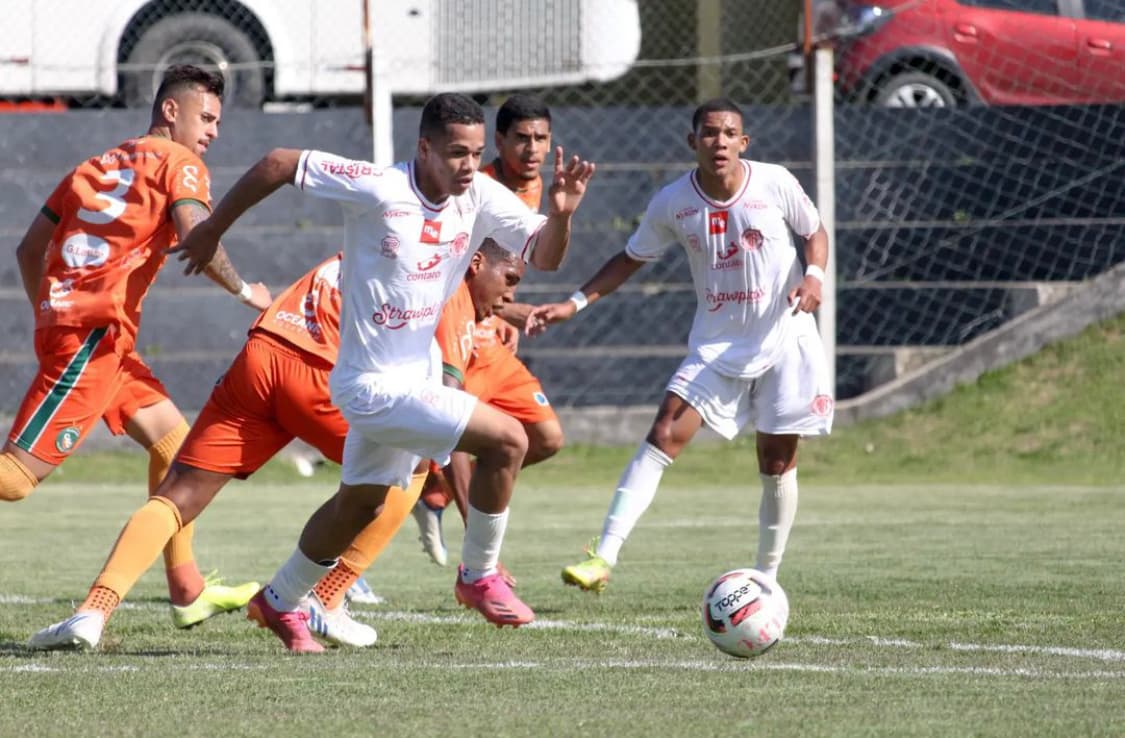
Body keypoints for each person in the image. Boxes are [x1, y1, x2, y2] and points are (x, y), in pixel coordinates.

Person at [144, 92, 590, 652]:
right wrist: (211, 229)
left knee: (362, 503)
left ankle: (278, 602)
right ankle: (479, 575)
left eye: (476, 153)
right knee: (509, 439)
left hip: (412, 379)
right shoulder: (379, 186)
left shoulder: (478, 194)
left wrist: (565, 214)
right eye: (456, 153)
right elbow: (279, 162)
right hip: (370, 385)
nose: (469, 166)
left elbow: (545, 256)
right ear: (424, 148)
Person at [29, 242, 527, 651]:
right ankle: (327, 598)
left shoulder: (391, 239)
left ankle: (92, 613)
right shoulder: (448, 278)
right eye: (510, 279)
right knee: (417, 460)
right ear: (477, 260)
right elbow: (448, 404)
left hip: (263, 347)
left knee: (178, 496)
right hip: (317, 372)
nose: (509, 295)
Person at [6, 64, 271, 636]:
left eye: (219, 122)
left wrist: (49, 314)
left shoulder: (93, 164)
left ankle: (186, 589)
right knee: (16, 480)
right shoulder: (180, 164)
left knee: (176, 445)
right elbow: (197, 231)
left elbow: (30, 249)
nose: (214, 132)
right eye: (207, 117)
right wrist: (249, 292)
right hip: (93, 337)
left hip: (94, 336)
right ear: (170, 111)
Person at [527, 98, 833, 593]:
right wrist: (574, 303)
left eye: (730, 133)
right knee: (665, 431)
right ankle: (603, 556)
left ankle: (767, 578)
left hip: (786, 335)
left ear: (744, 142)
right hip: (718, 345)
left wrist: (814, 275)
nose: (720, 142)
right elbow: (630, 258)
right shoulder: (674, 202)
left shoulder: (774, 182)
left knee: (776, 461)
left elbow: (814, 231)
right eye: (710, 133)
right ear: (693, 142)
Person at [412, 94, 563, 568]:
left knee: (545, 439)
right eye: (521, 138)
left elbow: (535, 257)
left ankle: (434, 488)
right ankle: (478, 557)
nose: (532, 148)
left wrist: (503, 311)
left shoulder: (542, 189)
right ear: (498, 141)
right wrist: (504, 311)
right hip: (458, 324)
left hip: (492, 336)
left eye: (541, 138)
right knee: (457, 422)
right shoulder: (475, 183)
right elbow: (455, 265)